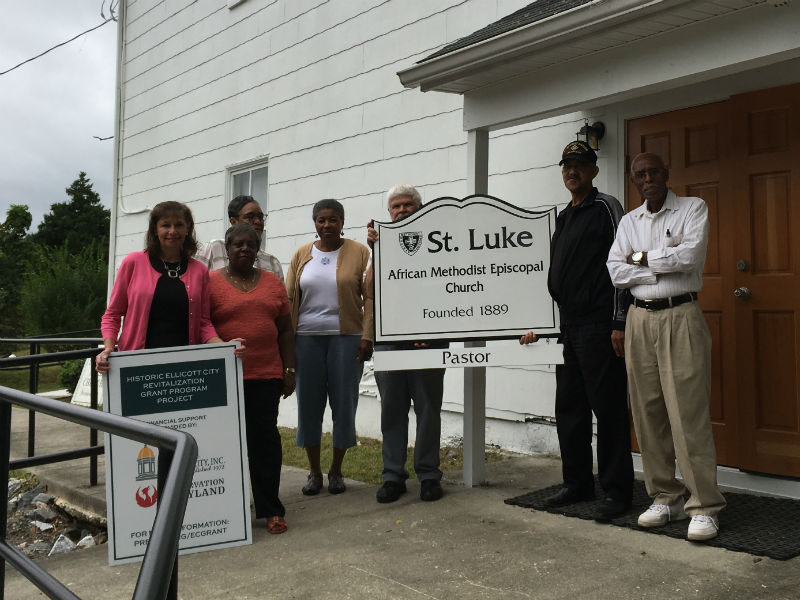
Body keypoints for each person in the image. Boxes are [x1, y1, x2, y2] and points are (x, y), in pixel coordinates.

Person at [607, 152, 726, 541]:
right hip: (640, 319)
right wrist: (659, 261)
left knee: (687, 410)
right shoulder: (629, 221)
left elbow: (689, 256)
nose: (647, 178)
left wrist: (640, 258)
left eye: (653, 171)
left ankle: (704, 505)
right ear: (634, 180)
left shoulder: (692, 208)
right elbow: (615, 270)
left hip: (680, 315)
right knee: (647, 411)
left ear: (666, 173)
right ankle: (665, 496)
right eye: (640, 174)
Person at [519, 140, 633, 521]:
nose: (573, 171)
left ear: (594, 170)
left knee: (610, 410)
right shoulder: (563, 217)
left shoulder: (606, 207)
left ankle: (617, 492)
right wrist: (543, 324)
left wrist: (620, 321)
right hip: (567, 329)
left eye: (580, 165)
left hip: (601, 326)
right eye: (567, 166)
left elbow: (623, 268)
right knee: (569, 408)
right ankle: (577, 483)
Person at [209, 223, 294, 534]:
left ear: (258, 249)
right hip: (223, 376)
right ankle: (228, 510)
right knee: (224, 444)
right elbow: (203, 326)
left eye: (251, 244)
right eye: (238, 244)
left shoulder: (272, 283)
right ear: (227, 249)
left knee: (264, 443)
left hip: (266, 374)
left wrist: (289, 369)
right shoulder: (211, 282)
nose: (244, 249)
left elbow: (285, 329)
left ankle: (271, 508)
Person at [366, 184, 448, 503]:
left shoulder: (438, 242)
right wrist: (376, 250)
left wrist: (431, 332)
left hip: (428, 341)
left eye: (407, 205)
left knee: (428, 409)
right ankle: (392, 476)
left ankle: (428, 475)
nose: (401, 211)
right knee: (392, 410)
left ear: (420, 207)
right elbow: (370, 291)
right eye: (395, 207)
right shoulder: (382, 243)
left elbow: (451, 288)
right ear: (389, 213)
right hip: (390, 343)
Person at [286, 199, 373, 495]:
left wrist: (367, 335)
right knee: (308, 405)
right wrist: (286, 344)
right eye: (321, 220)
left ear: (342, 221)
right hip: (306, 340)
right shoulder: (301, 254)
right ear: (315, 223)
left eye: (333, 219)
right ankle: (314, 471)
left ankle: (337, 470)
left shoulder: (359, 252)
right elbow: (288, 299)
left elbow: (369, 299)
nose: (327, 225)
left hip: (346, 338)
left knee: (344, 404)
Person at [96, 201, 242, 372]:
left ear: (188, 229)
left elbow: (203, 323)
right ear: (155, 230)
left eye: (179, 225)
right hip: (136, 365)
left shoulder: (199, 271)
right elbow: (112, 315)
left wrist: (225, 348)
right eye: (165, 225)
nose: (172, 231)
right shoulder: (133, 263)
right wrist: (108, 348)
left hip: (184, 367)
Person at [196, 195, 284, 281]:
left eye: (260, 217)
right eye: (250, 217)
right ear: (233, 222)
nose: (258, 221)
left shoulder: (273, 263)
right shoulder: (213, 249)